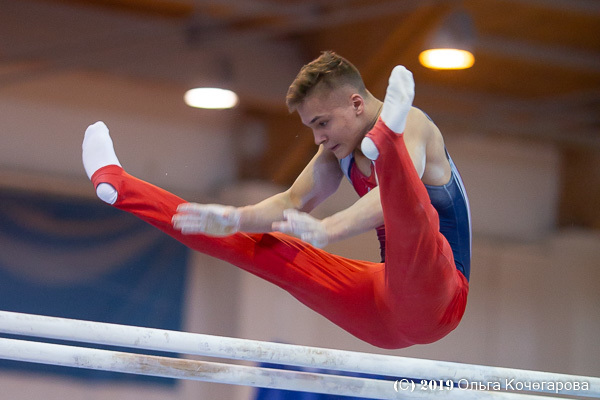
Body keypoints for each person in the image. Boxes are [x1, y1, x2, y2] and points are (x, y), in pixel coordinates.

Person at [82, 51, 471, 349]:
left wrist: (328, 228)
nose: (318, 138)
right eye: (311, 127)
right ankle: (118, 184)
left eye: (322, 123)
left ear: (356, 104)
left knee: (412, 215)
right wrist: (234, 219)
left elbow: (391, 203)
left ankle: (389, 139)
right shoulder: (339, 150)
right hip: (383, 311)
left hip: (441, 296)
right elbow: (290, 202)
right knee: (261, 247)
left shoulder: (416, 123)